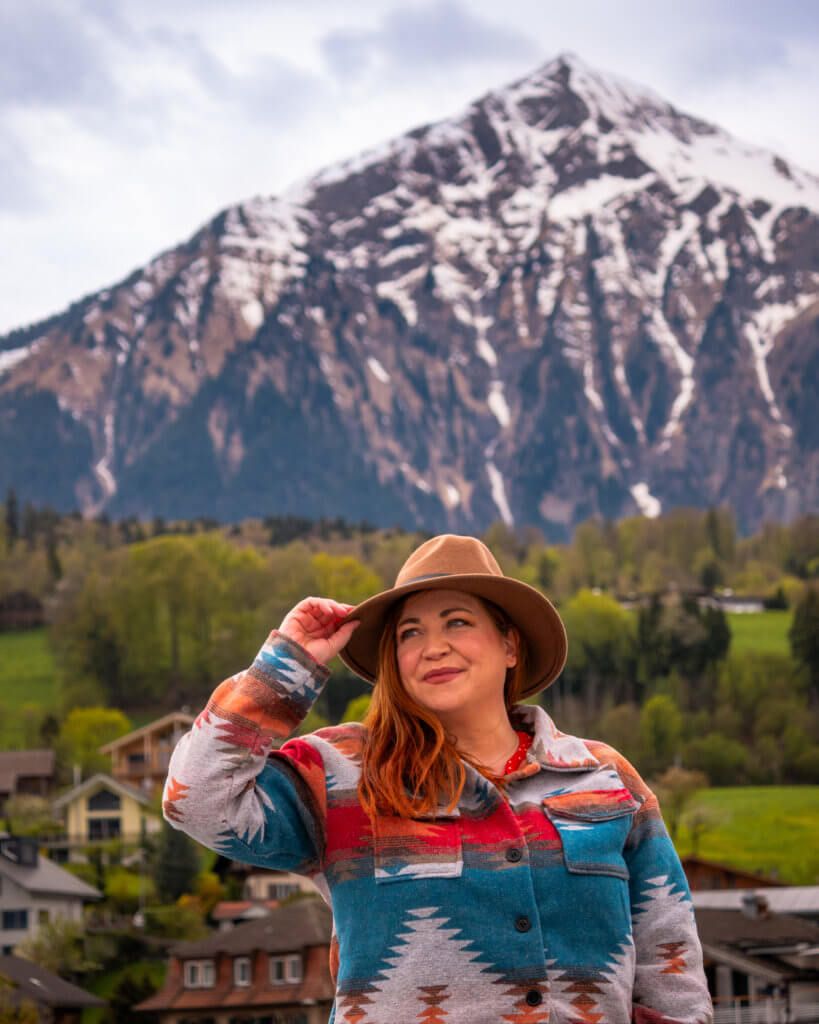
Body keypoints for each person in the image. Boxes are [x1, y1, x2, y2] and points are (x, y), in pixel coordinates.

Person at [163, 534, 712, 1024]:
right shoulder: (339, 772)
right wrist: (286, 667)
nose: (433, 647)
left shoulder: (604, 777)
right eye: (410, 633)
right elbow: (198, 800)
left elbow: (671, 956)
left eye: (457, 622)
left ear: (510, 645)